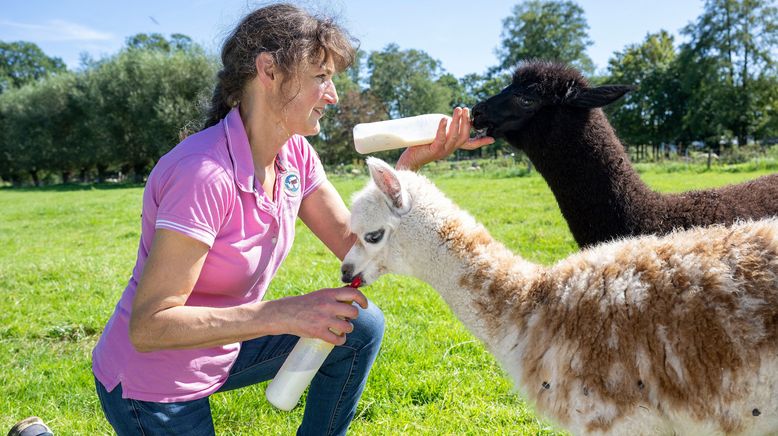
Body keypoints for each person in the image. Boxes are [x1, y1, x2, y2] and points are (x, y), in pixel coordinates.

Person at [91, 3, 494, 436]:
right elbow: (149, 327)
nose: (333, 94)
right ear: (268, 70)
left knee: (358, 326)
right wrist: (284, 313)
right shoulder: (202, 173)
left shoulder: (295, 156)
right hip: (153, 383)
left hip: (222, 349)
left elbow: (358, 248)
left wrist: (406, 171)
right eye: (321, 77)